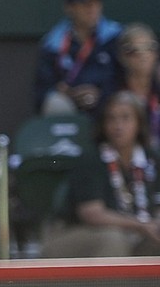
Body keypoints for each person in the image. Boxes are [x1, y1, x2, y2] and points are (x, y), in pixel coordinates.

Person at [41, 91, 160, 257]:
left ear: (139, 123)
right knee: (113, 239)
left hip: (134, 232)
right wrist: (140, 225)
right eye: (111, 119)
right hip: (73, 233)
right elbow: (92, 214)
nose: (118, 126)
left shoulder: (151, 157)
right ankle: (111, 284)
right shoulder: (91, 158)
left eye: (125, 118)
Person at [33, 0, 123, 117]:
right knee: (55, 103)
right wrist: (62, 91)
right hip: (71, 109)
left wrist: (100, 94)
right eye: (84, 2)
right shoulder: (53, 42)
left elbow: (126, 78)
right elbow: (41, 90)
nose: (91, 8)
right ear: (69, 7)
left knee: (124, 102)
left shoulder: (116, 36)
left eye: (96, 1)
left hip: (109, 106)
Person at [110, 22, 160, 156]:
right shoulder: (113, 92)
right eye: (133, 50)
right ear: (122, 56)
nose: (143, 56)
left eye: (150, 48)